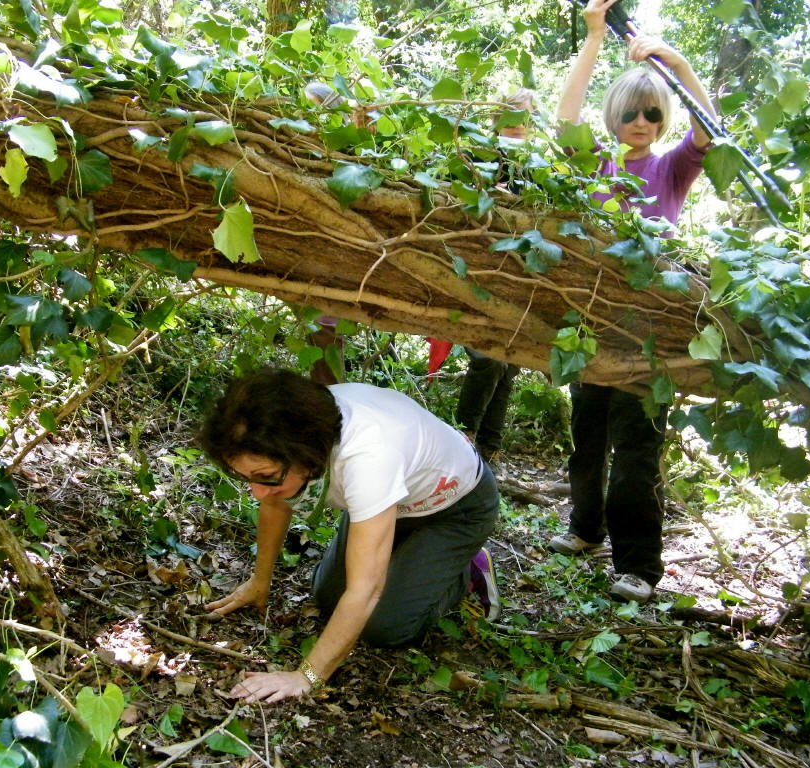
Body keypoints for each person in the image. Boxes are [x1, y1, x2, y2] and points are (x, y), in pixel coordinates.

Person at [547, 0, 716, 603]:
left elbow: (709, 129)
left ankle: (638, 566)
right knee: (587, 439)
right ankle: (585, 530)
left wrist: (677, 63)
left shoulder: (672, 170)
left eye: (652, 113)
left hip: (650, 328)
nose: (640, 122)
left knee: (638, 451)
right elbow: (566, 119)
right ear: (614, 116)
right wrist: (594, 36)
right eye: (630, 113)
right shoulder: (596, 164)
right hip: (593, 321)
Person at [199, 369, 501, 703]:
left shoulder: (367, 455)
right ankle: (413, 559)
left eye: (266, 476)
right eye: (247, 478)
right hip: (394, 502)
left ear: (305, 454)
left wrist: (306, 676)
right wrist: (259, 581)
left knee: (384, 626)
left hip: (455, 508)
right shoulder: (300, 422)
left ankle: (465, 570)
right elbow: (275, 502)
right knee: (327, 596)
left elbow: (365, 591)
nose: (257, 492)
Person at [453, 90, 537, 462]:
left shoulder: (540, 165)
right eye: (509, 114)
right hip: (482, 270)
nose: (516, 123)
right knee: (487, 356)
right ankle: (465, 434)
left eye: (524, 116)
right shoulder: (479, 155)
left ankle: (488, 449)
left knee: (508, 363)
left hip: (520, 277)